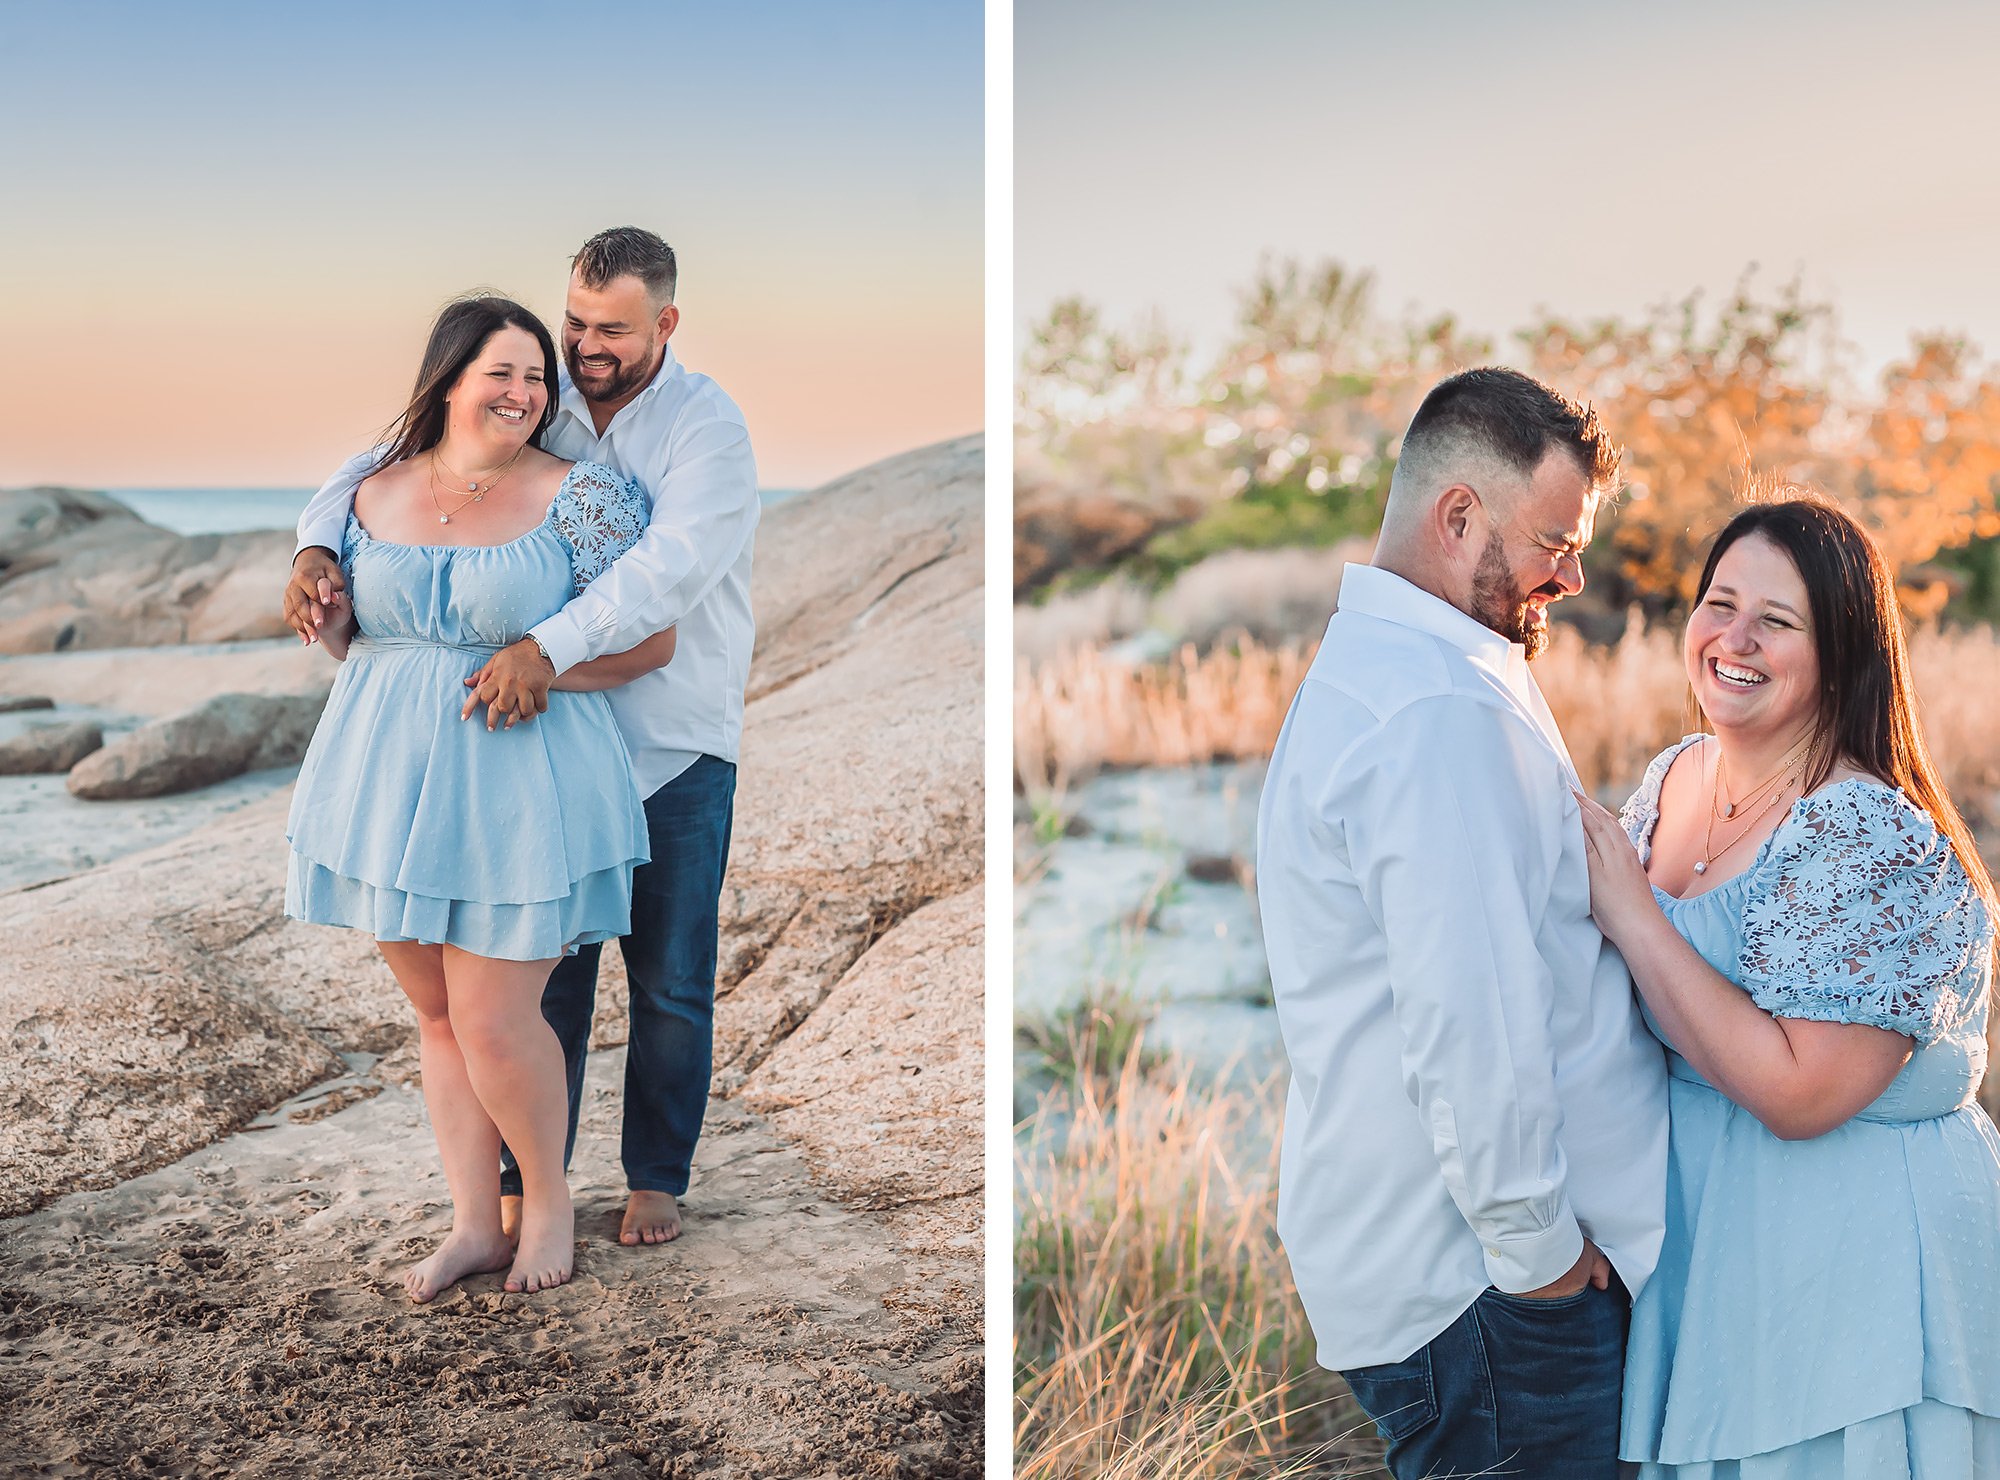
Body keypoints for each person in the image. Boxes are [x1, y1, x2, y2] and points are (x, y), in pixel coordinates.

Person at [284, 227, 756, 1249]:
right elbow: (377, 465)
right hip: (530, 753)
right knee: (535, 991)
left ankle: (654, 1177)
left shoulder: (703, 430)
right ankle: (513, 1195)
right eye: (574, 322)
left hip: (669, 738)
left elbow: (658, 583)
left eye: (610, 330)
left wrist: (541, 647)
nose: (583, 347)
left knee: (668, 977)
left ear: (664, 324)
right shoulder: (542, 400)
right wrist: (316, 547)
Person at [1257, 367, 1669, 1478]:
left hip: (1471, 1288)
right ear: (1456, 516)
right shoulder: (1432, 706)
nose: (1570, 574)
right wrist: (1542, 1259)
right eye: (1551, 540)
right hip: (1490, 1300)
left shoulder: (1402, 669)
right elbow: (1467, 1017)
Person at [1571, 497, 2000, 1476]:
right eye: (1717, 602)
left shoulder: (1863, 829)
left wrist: (1633, 916)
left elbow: (1800, 1093)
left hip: (1850, 1267)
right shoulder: (1676, 775)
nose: (1733, 638)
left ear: (1840, 652)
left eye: (1776, 619)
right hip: (1710, 1246)